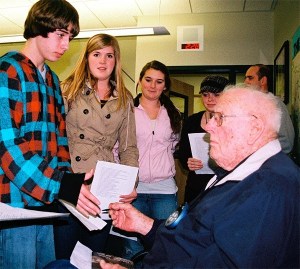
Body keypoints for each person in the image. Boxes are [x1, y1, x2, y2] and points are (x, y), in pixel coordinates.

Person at [103, 85, 300, 268]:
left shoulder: (268, 190)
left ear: (254, 128)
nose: (208, 126)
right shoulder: (242, 172)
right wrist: (144, 225)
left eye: (219, 117)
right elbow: (195, 237)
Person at [0, 1, 101, 268]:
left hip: (47, 204)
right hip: (14, 205)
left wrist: (71, 183)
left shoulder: (52, 79)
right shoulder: (7, 71)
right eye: (61, 34)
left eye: (70, 37)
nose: (67, 44)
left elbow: (60, 142)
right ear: (38, 28)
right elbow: (7, 146)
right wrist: (62, 185)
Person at [54, 33, 139, 259]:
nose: (102, 61)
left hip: (103, 189)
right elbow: (54, 138)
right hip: (71, 184)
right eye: (97, 54)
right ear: (87, 58)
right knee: (63, 257)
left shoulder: (125, 98)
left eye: (109, 55)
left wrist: (130, 183)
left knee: (94, 257)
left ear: (116, 60)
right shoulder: (67, 90)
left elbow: (129, 148)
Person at [122, 60, 182, 260]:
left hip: (164, 191)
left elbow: (173, 145)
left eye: (159, 81)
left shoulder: (173, 114)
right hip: (133, 192)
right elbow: (117, 149)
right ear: (139, 81)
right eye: (148, 80)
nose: (152, 86)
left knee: (166, 246)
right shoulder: (127, 111)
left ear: (165, 86)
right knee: (133, 249)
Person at [178, 75, 229, 202]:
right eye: (206, 95)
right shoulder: (191, 121)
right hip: (196, 187)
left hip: (223, 187)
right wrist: (188, 162)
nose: (210, 99)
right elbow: (183, 153)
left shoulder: (232, 122)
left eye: (216, 94)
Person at [244, 64, 295, 154]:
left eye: (250, 78)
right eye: (246, 78)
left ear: (263, 80)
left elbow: (287, 142)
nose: (246, 82)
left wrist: (259, 155)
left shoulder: (276, 105)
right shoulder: (248, 105)